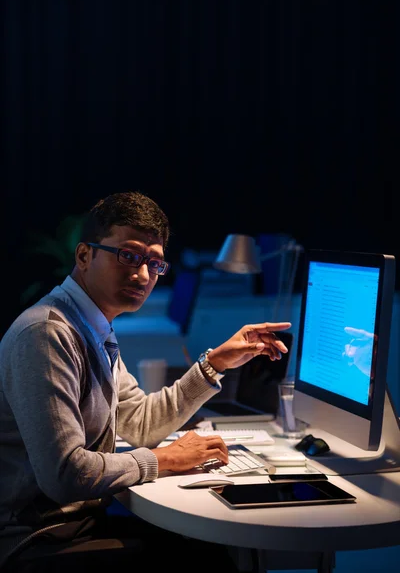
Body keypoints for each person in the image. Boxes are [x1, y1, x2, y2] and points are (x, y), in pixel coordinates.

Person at [0, 191, 291, 572]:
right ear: (84, 256)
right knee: (210, 560)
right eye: (129, 256)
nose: (142, 274)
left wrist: (214, 364)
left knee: (215, 548)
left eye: (154, 264)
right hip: (34, 539)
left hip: (72, 524)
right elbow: (65, 475)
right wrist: (164, 459)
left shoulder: (92, 326)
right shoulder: (48, 333)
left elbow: (140, 422)